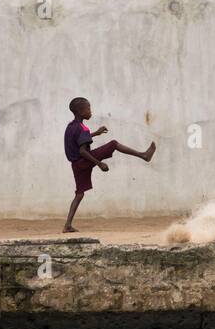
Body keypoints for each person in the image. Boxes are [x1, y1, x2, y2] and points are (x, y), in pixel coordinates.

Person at [63, 96, 155, 233]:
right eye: (88, 109)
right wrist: (99, 163)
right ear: (80, 112)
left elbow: (79, 140)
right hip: (84, 160)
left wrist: (96, 133)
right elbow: (82, 151)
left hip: (76, 165)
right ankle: (144, 155)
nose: (91, 111)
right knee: (113, 144)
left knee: (79, 194)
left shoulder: (72, 127)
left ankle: (67, 226)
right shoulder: (82, 128)